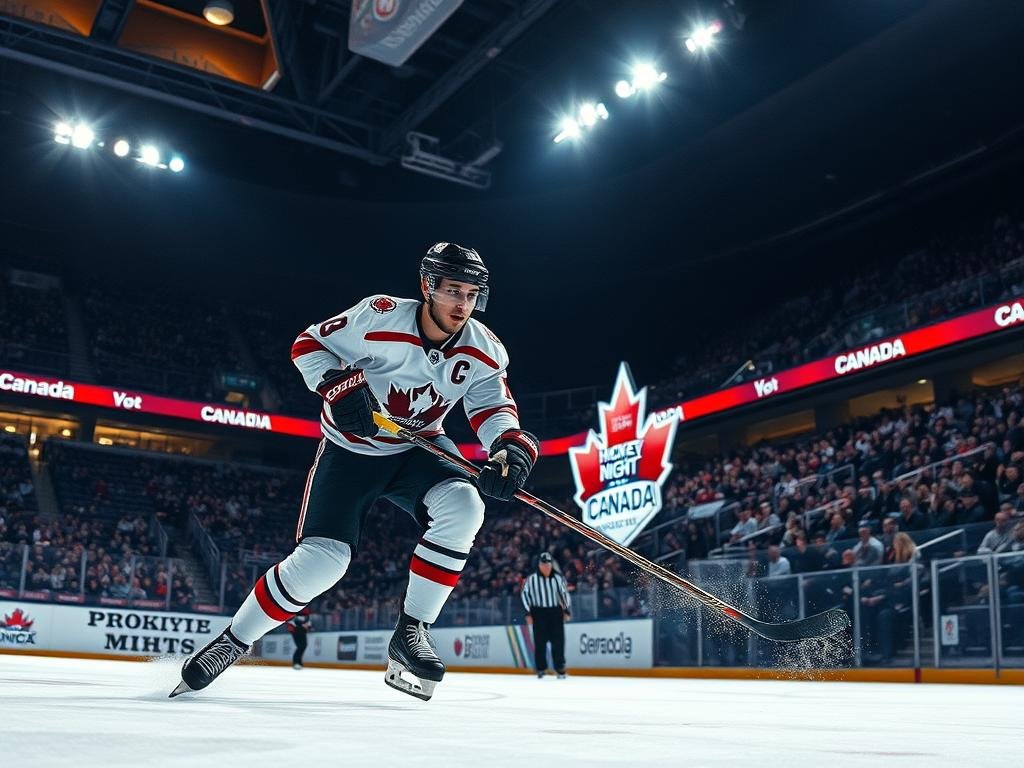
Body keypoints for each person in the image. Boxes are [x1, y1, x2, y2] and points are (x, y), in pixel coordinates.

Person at [174, 243, 538, 702]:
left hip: (417, 446)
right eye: (452, 291)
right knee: (323, 564)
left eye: (470, 294)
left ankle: (411, 632)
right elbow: (308, 345)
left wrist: (508, 446)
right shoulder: (378, 316)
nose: (462, 305)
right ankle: (232, 642)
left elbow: (492, 406)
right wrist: (338, 387)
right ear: (428, 287)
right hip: (350, 452)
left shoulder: (485, 349)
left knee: (465, 506)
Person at [521, 553, 572, 679]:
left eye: (548, 564)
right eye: (543, 564)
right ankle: (541, 668)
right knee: (540, 642)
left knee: (558, 641)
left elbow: (564, 594)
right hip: (538, 612)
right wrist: (528, 612)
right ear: (539, 565)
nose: (546, 566)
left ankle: (560, 668)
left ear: (551, 564)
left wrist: (566, 610)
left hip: (555, 612)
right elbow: (524, 595)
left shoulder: (558, 578)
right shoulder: (532, 579)